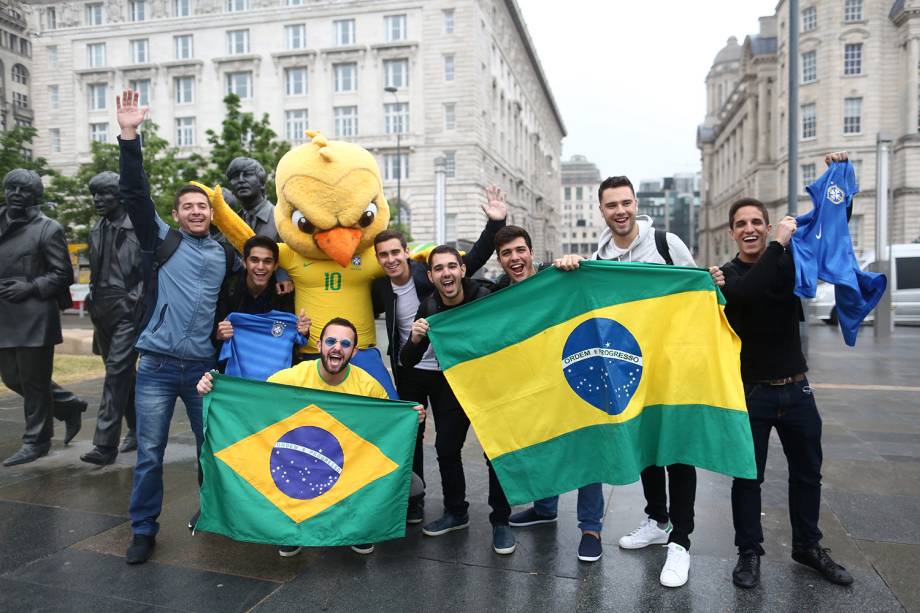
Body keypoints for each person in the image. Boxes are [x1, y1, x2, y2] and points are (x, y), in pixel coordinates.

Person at [552, 175, 697, 586]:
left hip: (670, 367)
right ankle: (657, 520)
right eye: (611, 205)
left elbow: (695, 292)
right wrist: (569, 268)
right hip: (629, 370)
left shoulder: (667, 244)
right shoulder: (598, 257)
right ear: (601, 210)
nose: (620, 211)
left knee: (678, 451)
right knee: (647, 447)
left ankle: (681, 543)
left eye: (626, 203)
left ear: (636, 204)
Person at [715, 169, 854, 589]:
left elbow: (833, 229)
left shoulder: (792, 261)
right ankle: (749, 552)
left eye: (758, 221)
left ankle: (808, 547)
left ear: (766, 223)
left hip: (797, 389)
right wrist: (778, 241)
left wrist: (840, 184)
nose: (751, 229)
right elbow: (747, 295)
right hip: (752, 392)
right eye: (742, 224)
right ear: (732, 234)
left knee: (808, 473)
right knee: (747, 476)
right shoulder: (727, 277)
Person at [116, 88, 237, 565]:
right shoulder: (162, 242)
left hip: (204, 371)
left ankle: (215, 513)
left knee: (213, 451)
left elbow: (247, 290)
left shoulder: (225, 254)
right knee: (150, 452)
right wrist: (130, 136)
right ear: (177, 214)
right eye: (188, 206)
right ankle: (143, 529)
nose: (196, 212)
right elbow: (134, 194)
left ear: (212, 212)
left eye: (203, 206)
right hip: (159, 366)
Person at [196, 317, 424, 558]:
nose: (337, 347)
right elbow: (253, 402)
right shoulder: (293, 378)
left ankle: (359, 529)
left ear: (354, 351)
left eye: (345, 344)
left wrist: (411, 418)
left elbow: (386, 429)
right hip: (299, 460)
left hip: (344, 462)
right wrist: (214, 388)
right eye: (331, 341)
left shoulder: (368, 386)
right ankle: (290, 530)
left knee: (411, 484)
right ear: (319, 346)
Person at [371, 185, 507, 524]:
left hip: (445, 371)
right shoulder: (378, 287)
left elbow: (468, 262)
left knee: (447, 444)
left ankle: (457, 509)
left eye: (395, 253)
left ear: (406, 253)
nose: (390, 260)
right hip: (409, 367)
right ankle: (414, 499)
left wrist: (495, 224)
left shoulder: (428, 278)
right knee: (410, 438)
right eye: (383, 255)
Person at [399, 246, 515, 555]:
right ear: (431, 276)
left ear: (462, 270)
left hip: (492, 387)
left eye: (452, 266)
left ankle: (501, 521)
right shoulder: (430, 308)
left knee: (496, 453)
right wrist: (414, 338)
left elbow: (523, 283)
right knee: (446, 449)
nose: (446, 273)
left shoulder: (486, 294)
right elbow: (406, 360)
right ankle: (456, 511)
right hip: (455, 387)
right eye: (439, 268)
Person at [0, 169, 87, 466]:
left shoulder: (47, 228)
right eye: (11, 188)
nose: (15, 194)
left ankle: (37, 441)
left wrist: (31, 286)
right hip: (5, 315)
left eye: (23, 190)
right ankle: (68, 406)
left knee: (35, 382)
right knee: (12, 378)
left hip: (35, 316)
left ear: (36, 196)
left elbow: (63, 273)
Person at [81, 171, 142, 465]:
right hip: (101, 311)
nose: (97, 199)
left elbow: (151, 273)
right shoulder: (96, 229)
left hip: (127, 310)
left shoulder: (139, 227)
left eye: (103, 193)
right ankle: (139, 428)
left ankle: (104, 445)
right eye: (95, 194)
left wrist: (134, 301)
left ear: (119, 194)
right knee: (124, 375)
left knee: (116, 373)